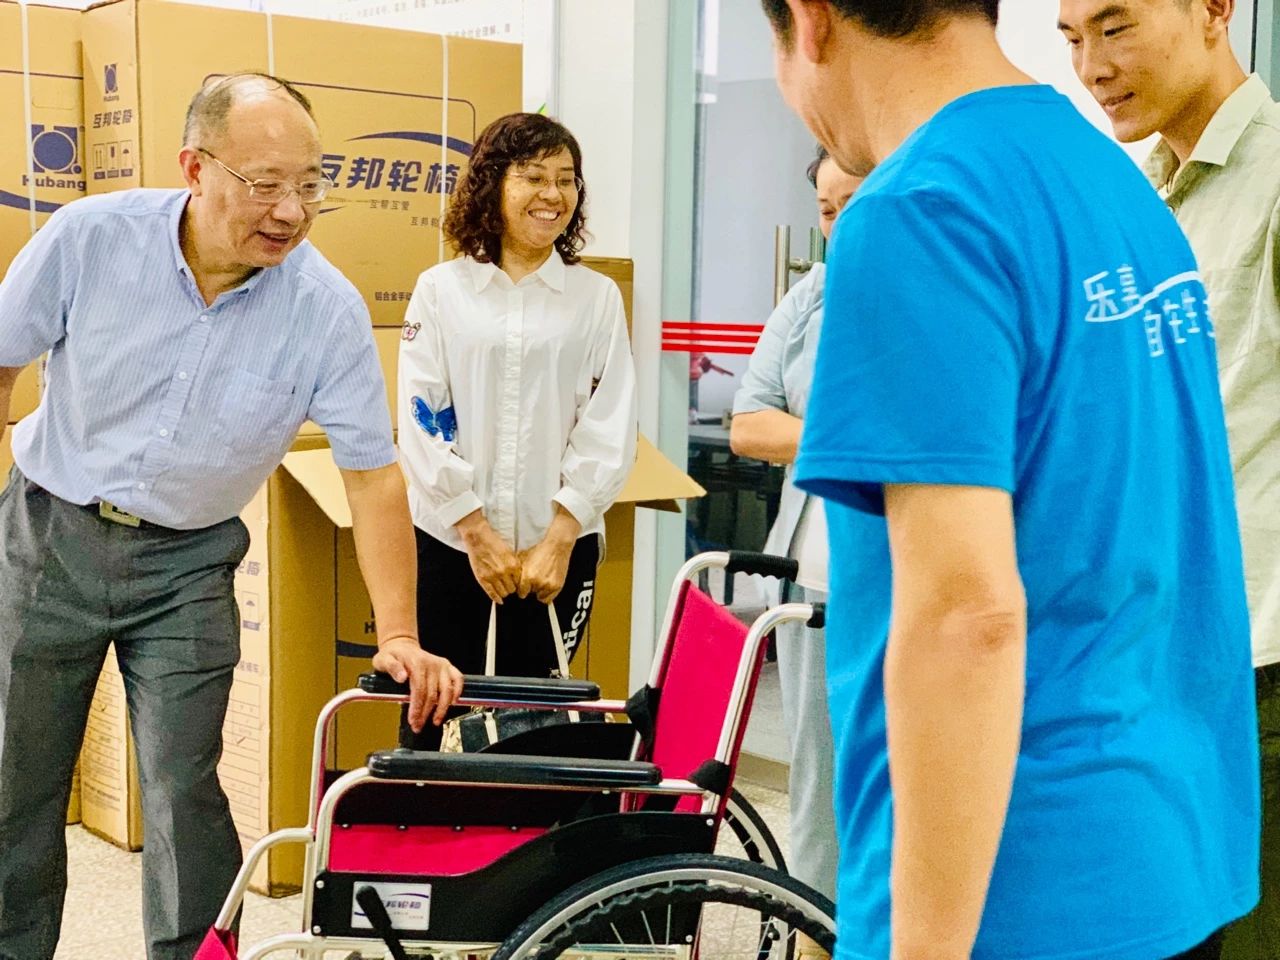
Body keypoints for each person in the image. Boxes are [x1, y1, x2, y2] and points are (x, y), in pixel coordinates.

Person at [759, 2, 1258, 959]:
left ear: (811, 23)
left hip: (1013, 891)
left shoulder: (915, 211)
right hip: (1169, 854)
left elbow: (965, 617)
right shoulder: (1116, 184)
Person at [0, 73, 462, 960]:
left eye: (311, 185)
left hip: (188, 563)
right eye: (265, 184)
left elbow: (372, 475)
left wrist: (400, 632)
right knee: (15, 780)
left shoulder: (324, 309)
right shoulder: (90, 239)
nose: (291, 211)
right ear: (195, 168)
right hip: (49, 535)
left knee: (185, 787)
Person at [1059, 2, 1280, 953]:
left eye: (1116, 27)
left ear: (1215, 9)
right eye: (1073, 39)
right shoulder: (1140, 196)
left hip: (1262, 667)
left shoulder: (1272, 176)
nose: (1092, 67)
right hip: (1155, 659)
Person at [398, 112, 638, 748]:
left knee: (537, 722)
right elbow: (421, 415)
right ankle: (428, 814)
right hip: (450, 546)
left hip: (553, 555)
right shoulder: (441, 290)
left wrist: (560, 536)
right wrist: (474, 530)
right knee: (435, 712)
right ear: (493, 185)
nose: (552, 194)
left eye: (566, 179)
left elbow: (609, 423)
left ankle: (528, 819)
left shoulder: (595, 298)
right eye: (533, 176)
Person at [730, 143, 862, 907]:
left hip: (907, 570)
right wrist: (853, 443)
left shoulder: (939, 290)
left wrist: (809, 434)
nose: (840, 225)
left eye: (855, 205)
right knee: (819, 769)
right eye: (827, 210)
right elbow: (750, 423)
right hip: (812, 570)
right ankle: (815, 929)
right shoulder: (810, 295)